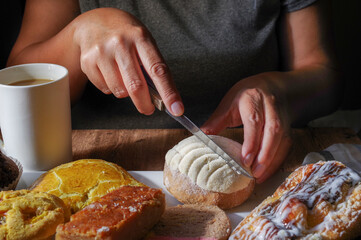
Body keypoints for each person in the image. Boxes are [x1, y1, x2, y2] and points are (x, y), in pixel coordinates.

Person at [7, 0, 340, 183]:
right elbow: (17, 74)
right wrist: (78, 34)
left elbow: (326, 78)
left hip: (259, 160)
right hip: (91, 166)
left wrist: (278, 89)